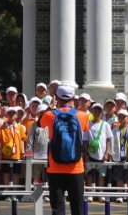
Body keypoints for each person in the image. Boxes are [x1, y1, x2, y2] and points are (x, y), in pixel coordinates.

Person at [40, 84, 89, 215]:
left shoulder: (49, 115)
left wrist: (52, 106)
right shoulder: (83, 116)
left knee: (57, 209)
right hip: (76, 167)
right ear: (73, 97)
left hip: (55, 168)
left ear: (56, 97)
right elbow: (84, 131)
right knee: (77, 208)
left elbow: (40, 124)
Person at [84, 103, 112, 202]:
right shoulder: (88, 124)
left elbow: (108, 140)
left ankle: (100, 194)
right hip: (91, 153)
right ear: (92, 112)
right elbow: (86, 140)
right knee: (89, 174)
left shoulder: (106, 125)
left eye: (99, 111)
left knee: (101, 175)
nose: (97, 112)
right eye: (95, 110)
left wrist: (107, 153)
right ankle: (90, 194)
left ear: (101, 113)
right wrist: (86, 153)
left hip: (102, 154)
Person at [0, 107, 26, 190]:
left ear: (16, 115)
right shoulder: (3, 127)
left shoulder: (20, 127)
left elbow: (22, 141)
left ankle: (15, 192)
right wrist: (0, 154)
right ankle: (7, 191)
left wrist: (22, 153)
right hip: (6, 154)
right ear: (6, 115)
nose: (12, 115)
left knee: (15, 174)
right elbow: (1, 141)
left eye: (14, 113)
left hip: (16, 155)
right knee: (6, 174)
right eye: (9, 114)